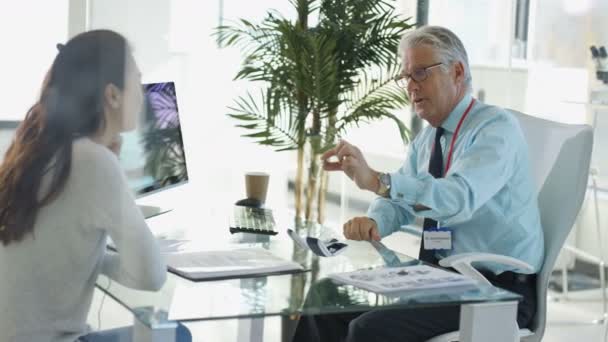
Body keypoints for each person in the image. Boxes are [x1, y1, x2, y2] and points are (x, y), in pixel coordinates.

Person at [292, 26, 544, 342]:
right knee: (326, 296)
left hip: (496, 289)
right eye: (407, 77)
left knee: (369, 329)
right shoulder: (427, 140)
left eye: (421, 73)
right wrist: (375, 220)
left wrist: (377, 180)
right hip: (441, 278)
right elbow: (400, 201)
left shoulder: (496, 129)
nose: (411, 86)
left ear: (457, 72)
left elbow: (458, 197)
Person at [0, 30, 189, 342]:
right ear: (112, 95)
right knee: (174, 334)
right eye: (136, 80)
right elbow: (152, 276)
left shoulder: (39, 151)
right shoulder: (93, 161)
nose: (143, 94)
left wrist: (94, 258)